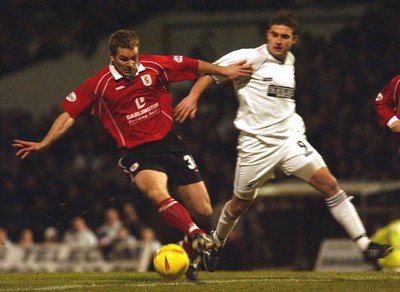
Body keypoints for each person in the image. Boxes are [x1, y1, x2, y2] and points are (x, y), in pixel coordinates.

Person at [12, 29, 252, 281]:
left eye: (134, 57)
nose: (130, 64)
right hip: (137, 152)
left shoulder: (154, 66)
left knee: (203, 210)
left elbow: (193, 64)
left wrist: (225, 71)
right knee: (158, 192)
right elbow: (68, 114)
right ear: (112, 57)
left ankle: (186, 250)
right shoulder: (99, 84)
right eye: (124, 59)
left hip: (170, 144)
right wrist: (44, 142)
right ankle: (193, 232)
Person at [174, 10, 393, 271]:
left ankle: (364, 246)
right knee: (239, 204)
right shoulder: (250, 57)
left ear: (294, 40)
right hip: (256, 145)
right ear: (268, 35)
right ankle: (217, 244)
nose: (278, 40)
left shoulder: (289, 59)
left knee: (329, 184)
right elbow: (210, 73)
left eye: (284, 36)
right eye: (274, 35)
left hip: (290, 139)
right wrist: (193, 96)